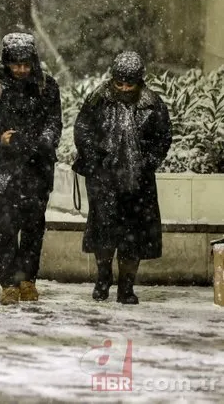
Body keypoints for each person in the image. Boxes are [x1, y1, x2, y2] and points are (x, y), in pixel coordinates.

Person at [73, 51, 172, 304]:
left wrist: (145, 163)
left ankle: (126, 287)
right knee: (104, 232)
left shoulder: (152, 103)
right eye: (120, 83)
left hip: (138, 181)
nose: (124, 88)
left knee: (133, 235)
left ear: (139, 81)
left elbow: (162, 138)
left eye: (130, 84)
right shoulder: (98, 100)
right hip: (104, 178)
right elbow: (83, 130)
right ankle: (103, 279)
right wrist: (96, 160)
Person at [0, 33, 61, 305]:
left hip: (37, 168)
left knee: (34, 226)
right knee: (7, 226)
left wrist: (42, 142)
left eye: (26, 64)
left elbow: (54, 124)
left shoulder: (47, 87)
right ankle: (8, 281)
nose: (21, 70)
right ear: (6, 62)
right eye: (16, 64)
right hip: (3, 169)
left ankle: (27, 280)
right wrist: (0, 139)